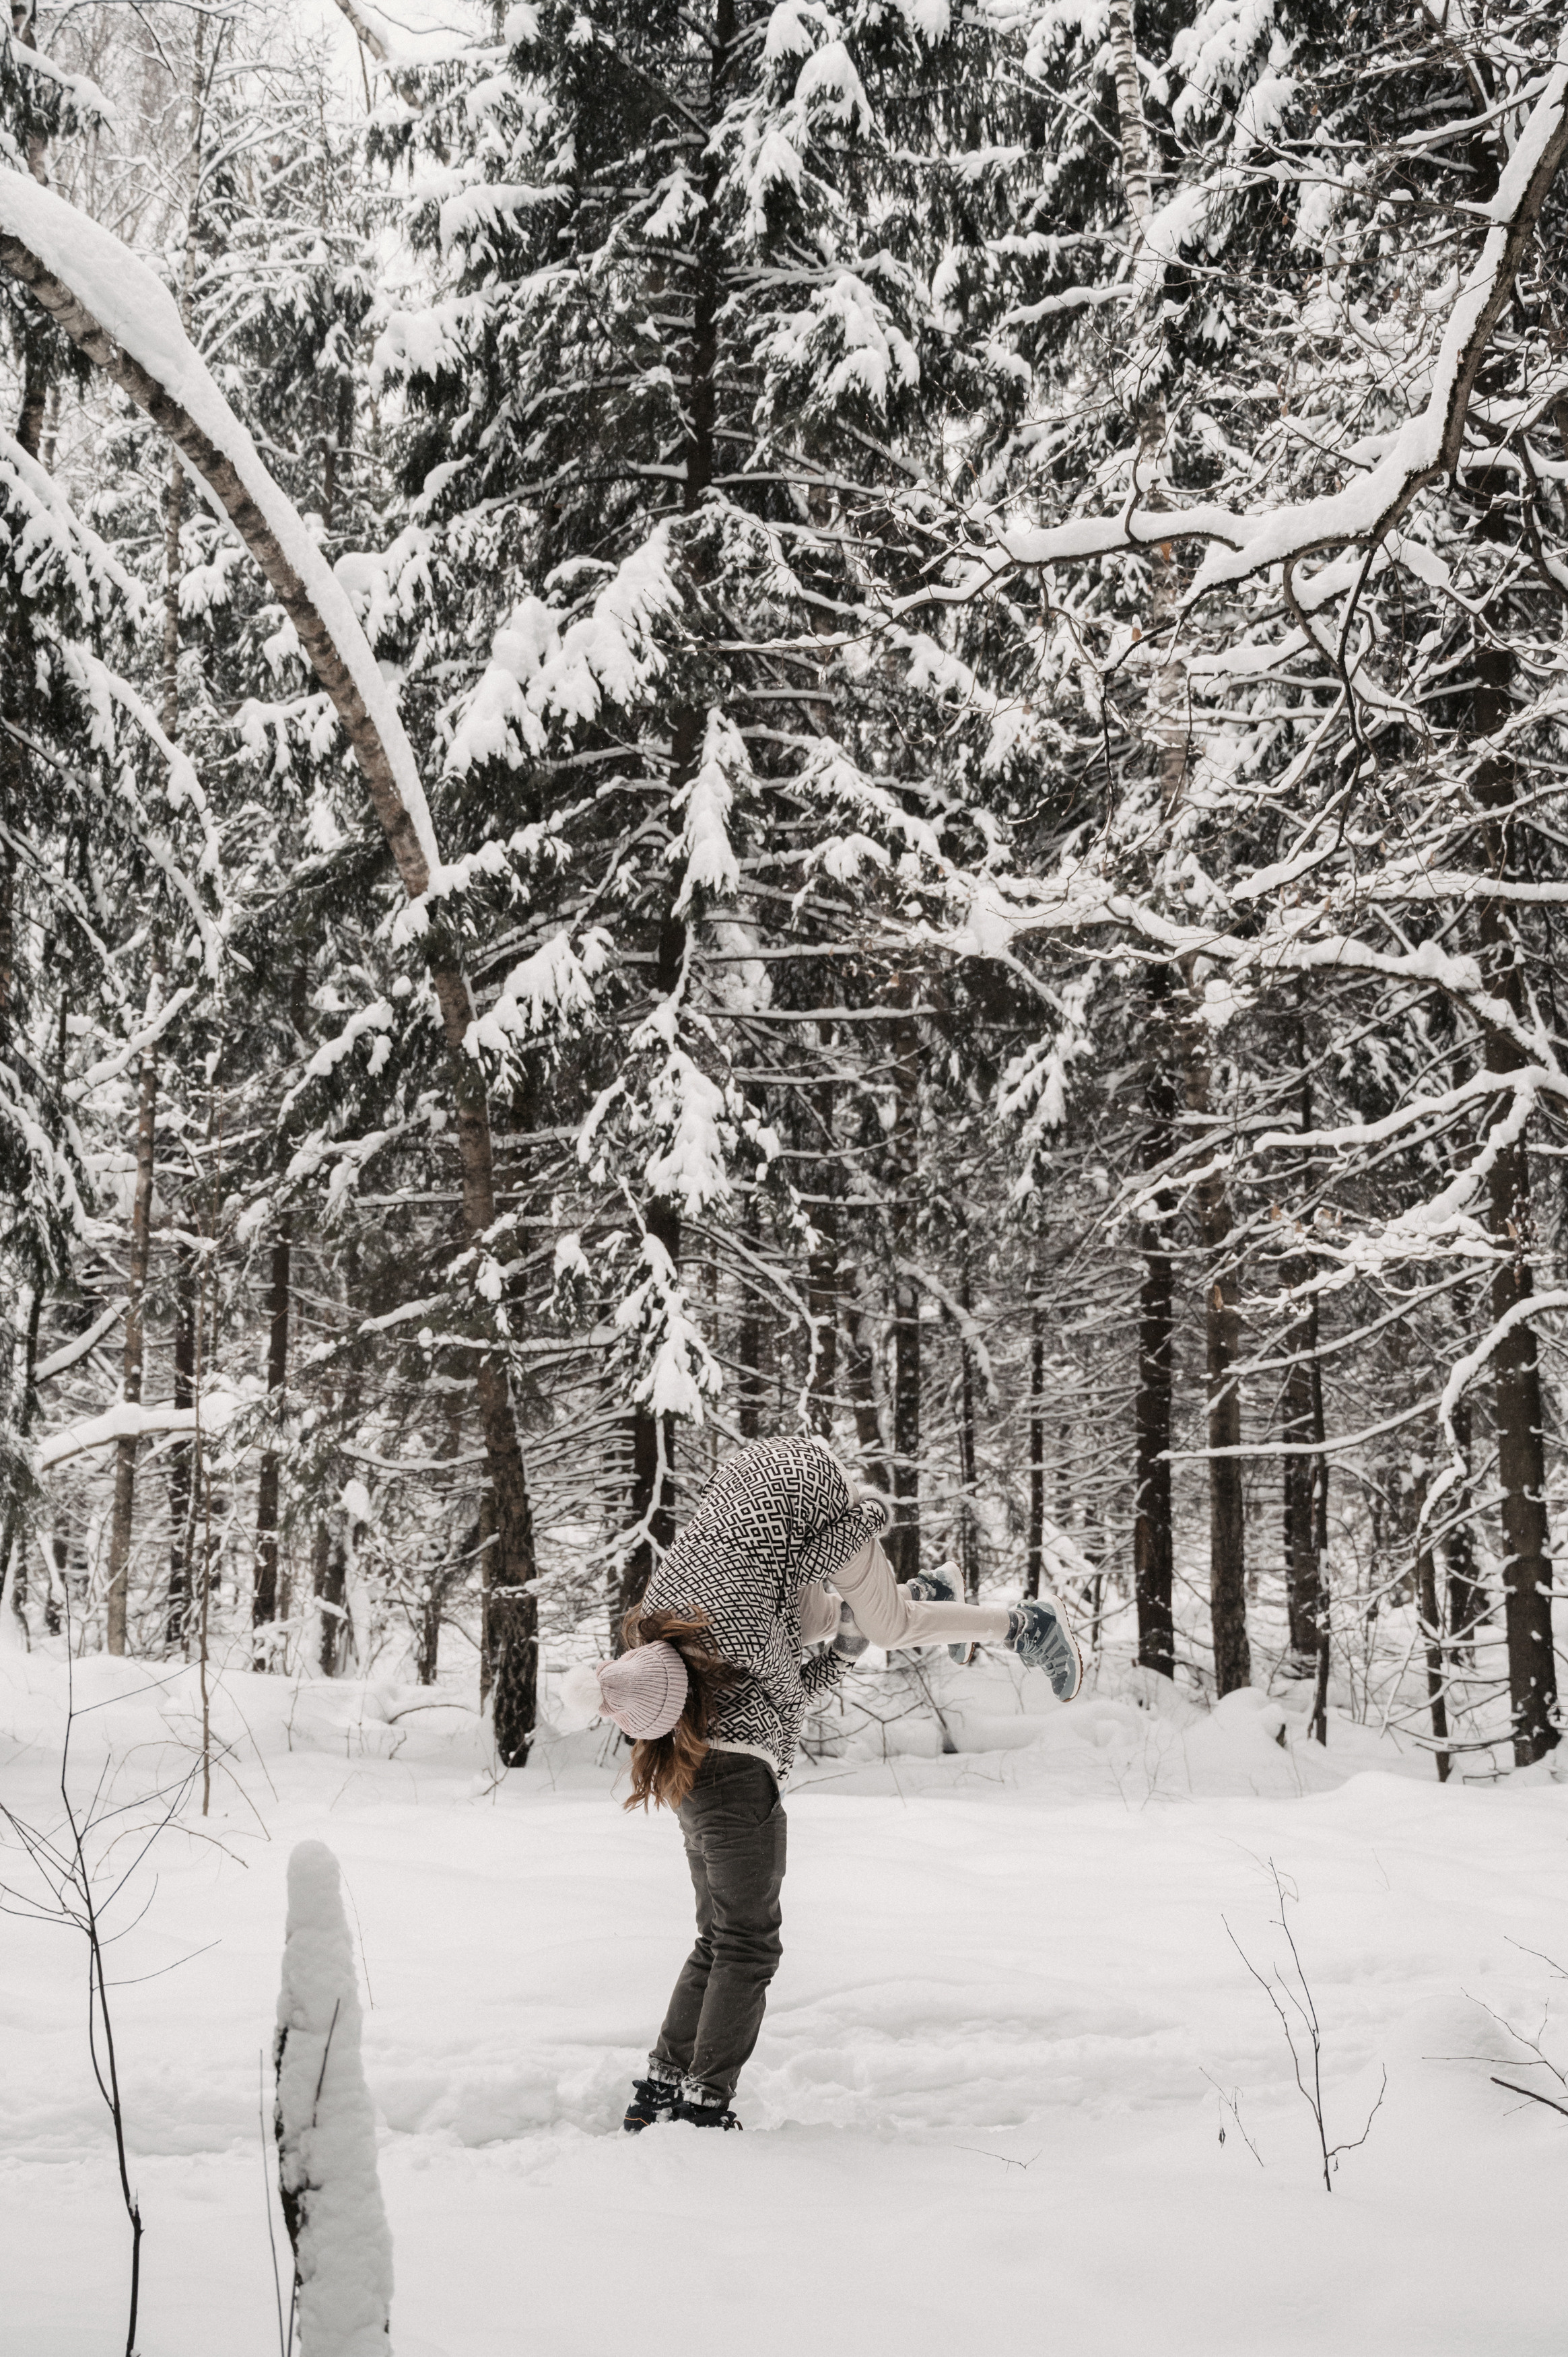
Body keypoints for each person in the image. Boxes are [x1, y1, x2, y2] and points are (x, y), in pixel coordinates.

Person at [563, 1434, 1083, 2133]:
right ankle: (662, 2084)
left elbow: (791, 1684)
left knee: (889, 1627)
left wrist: (860, 1575)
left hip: (803, 1486)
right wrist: (842, 1646)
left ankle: (1024, 1622)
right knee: (721, 1936)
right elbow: (797, 1678)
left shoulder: (743, 1649)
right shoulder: (662, 1634)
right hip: (755, 1493)